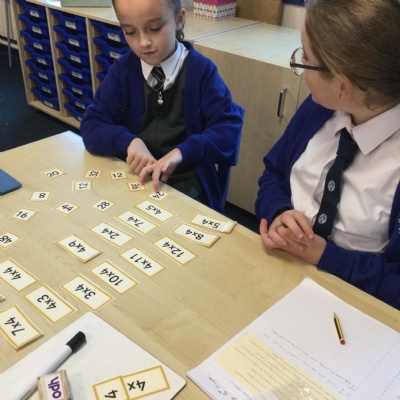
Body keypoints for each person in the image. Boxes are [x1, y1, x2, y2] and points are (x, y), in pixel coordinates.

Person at [255, 0, 400, 309]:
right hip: (279, 275)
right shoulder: (319, 108)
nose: (299, 66)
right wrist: (279, 212)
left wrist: (324, 255)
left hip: (356, 305)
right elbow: (273, 174)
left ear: (343, 86)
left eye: (306, 59)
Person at [80, 0, 243, 213]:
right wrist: (129, 142)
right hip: (136, 177)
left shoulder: (202, 72)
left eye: (155, 28)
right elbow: (91, 125)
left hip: (186, 180)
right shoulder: (123, 70)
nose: (143, 42)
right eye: (130, 32)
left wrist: (182, 152)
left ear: (179, 19)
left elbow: (227, 131)